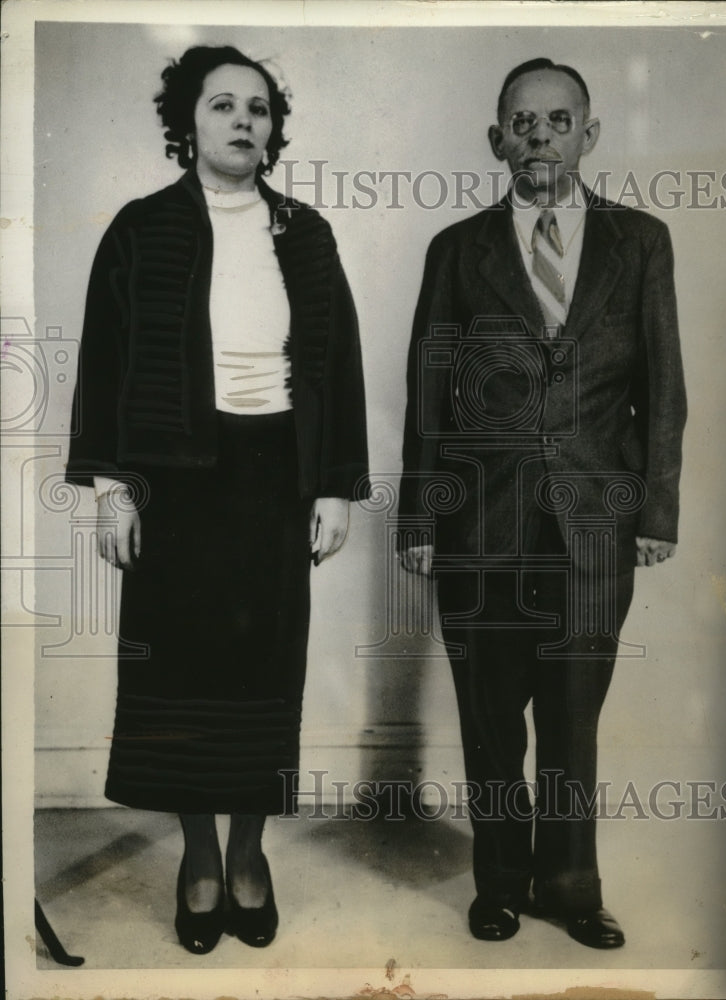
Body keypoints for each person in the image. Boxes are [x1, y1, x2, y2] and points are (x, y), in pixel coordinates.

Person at [65, 45, 369, 955]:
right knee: (181, 681)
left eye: (260, 108)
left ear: (274, 128)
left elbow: (337, 369)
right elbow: (104, 361)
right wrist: (113, 491)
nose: (244, 121)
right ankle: (198, 858)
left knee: (263, 675)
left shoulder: (304, 233)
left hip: (273, 482)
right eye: (223, 105)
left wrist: (333, 489)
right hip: (174, 485)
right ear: (186, 124)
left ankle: (248, 855)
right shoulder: (141, 227)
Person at [399, 58, 685, 948]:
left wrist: (654, 513)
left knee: (570, 715)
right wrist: (418, 518)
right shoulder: (457, 250)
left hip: (594, 524)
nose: (539, 138)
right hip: (480, 522)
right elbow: (426, 393)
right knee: (490, 718)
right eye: (521, 123)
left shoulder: (639, 242)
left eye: (558, 122)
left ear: (587, 136)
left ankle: (567, 885)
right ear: (496, 140)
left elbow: (663, 388)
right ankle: (498, 882)